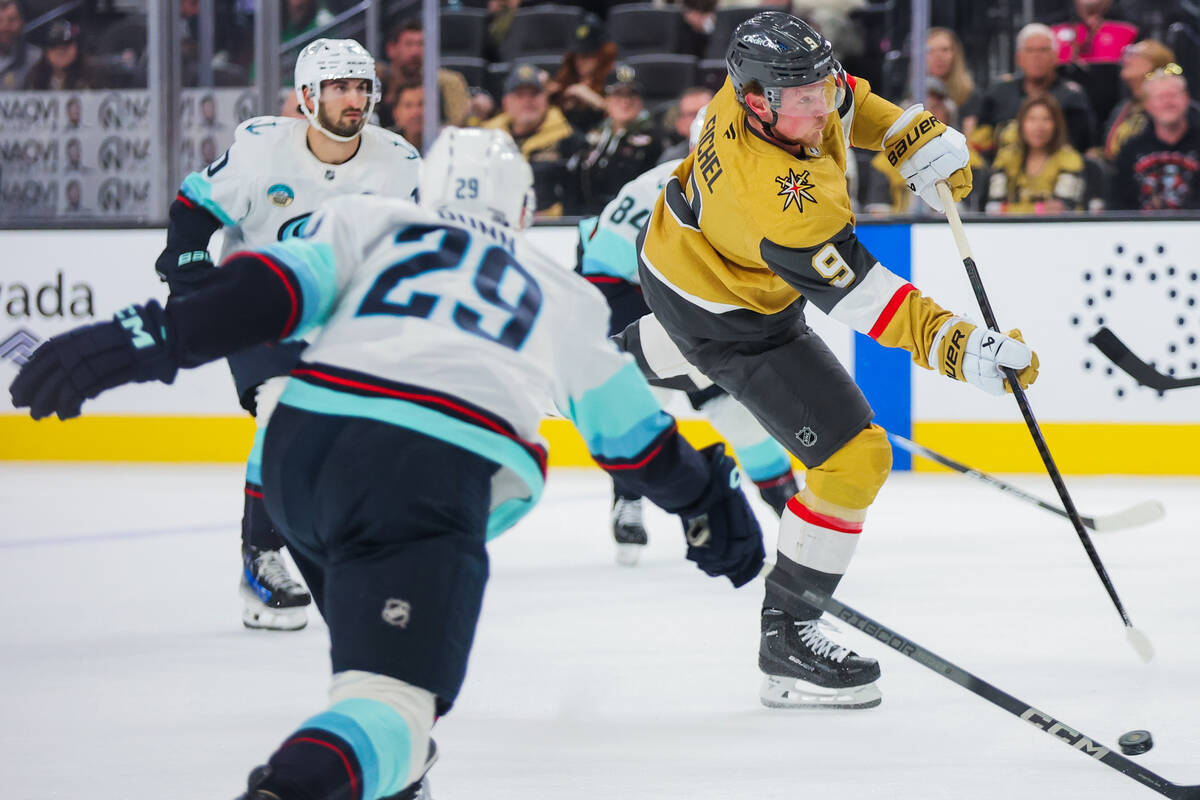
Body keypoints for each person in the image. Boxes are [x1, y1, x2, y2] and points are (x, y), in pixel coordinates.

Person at [9, 127, 765, 800]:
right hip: (426, 474)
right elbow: (634, 439)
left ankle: (371, 768)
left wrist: (135, 343)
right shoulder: (560, 294)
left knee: (372, 682)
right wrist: (706, 505)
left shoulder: (368, 217)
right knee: (396, 708)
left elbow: (260, 293)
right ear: (527, 213)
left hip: (298, 460)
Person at [622, 11, 1039, 710]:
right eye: (805, 98)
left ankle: (575, 374)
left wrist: (910, 136)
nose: (822, 104)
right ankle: (788, 635)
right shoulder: (780, 205)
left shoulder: (770, 87)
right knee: (856, 460)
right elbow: (872, 302)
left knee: (632, 366)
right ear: (757, 102)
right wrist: (963, 349)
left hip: (689, 269)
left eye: (822, 86)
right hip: (729, 318)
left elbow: (851, 99)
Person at [152, 38, 421, 632]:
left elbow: (415, 245)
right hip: (259, 305)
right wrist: (190, 275)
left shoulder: (399, 162)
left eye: (361, 86)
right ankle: (261, 556)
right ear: (306, 95)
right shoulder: (260, 148)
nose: (354, 99)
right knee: (280, 410)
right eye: (338, 87)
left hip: (341, 315)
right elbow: (194, 210)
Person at [579, 105, 798, 563]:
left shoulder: (740, 191)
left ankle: (790, 511)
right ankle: (629, 500)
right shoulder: (683, 187)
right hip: (618, 288)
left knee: (735, 410)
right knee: (647, 400)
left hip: (665, 290)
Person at [967, 23, 1096, 161]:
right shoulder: (998, 93)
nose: (1037, 57)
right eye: (1030, 50)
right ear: (1019, 58)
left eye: (1043, 50)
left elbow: (1083, 148)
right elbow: (981, 144)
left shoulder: (1072, 96)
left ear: (1055, 57)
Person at [564, 65, 662, 216]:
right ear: (606, 100)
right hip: (587, 217)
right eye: (618, 95)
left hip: (634, 218)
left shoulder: (656, 139)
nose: (625, 102)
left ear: (641, 101)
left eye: (631, 95)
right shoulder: (593, 135)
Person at [482, 62, 574, 217]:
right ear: (505, 102)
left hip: (556, 229)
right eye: (520, 95)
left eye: (534, 94)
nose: (528, 101)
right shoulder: (485, 139)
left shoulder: (569, 138)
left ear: (546, 99)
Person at [1110, 65, 1200, 211]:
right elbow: (1117, 205)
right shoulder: (1130, 150)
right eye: (1160, 97)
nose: (1167, 102)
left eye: (1173, 95)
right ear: (1147, 105)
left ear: (1187, 99)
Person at [986, 94, 1085, 214]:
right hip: (1010, 230)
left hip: (1058, 230)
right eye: (1031, 119)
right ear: (1021, 124)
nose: (1039, 127)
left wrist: (1009, 209)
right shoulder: (1006, 158)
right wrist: (1039, 209)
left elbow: (1061, 210)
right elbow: (993, 208)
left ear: (1057, 125)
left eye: (1046, 119)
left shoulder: (1070, 159)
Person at [381, 17, 470, 129]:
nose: (415, 51)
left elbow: (457, 127)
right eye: (409, 44)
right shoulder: (378, 80)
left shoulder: (447, 83)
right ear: (391, 49)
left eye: (421, 44)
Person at [1102, 39, 1175, 162]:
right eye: (1127, 54)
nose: (1125, 59)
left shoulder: (1166, 107)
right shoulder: (1124, 107)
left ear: (1153, 64)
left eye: (1134, 54)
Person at [546, 13, 615, 132]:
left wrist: (591, 98)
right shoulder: (565, 78)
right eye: (577, 56)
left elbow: (623, 115)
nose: (580, 61)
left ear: (601, 55)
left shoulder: (612, 79)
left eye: (588, 56)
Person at [0, 0, 39, 90]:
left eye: (12, 20)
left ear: (23, 22)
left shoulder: (36, 59)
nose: (5, 26)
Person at [388, 80, 426, 152]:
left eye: (421, 104)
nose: (415, 112)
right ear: (396, 113)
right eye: (408, 106)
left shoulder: (445, 141)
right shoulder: (386, 142)